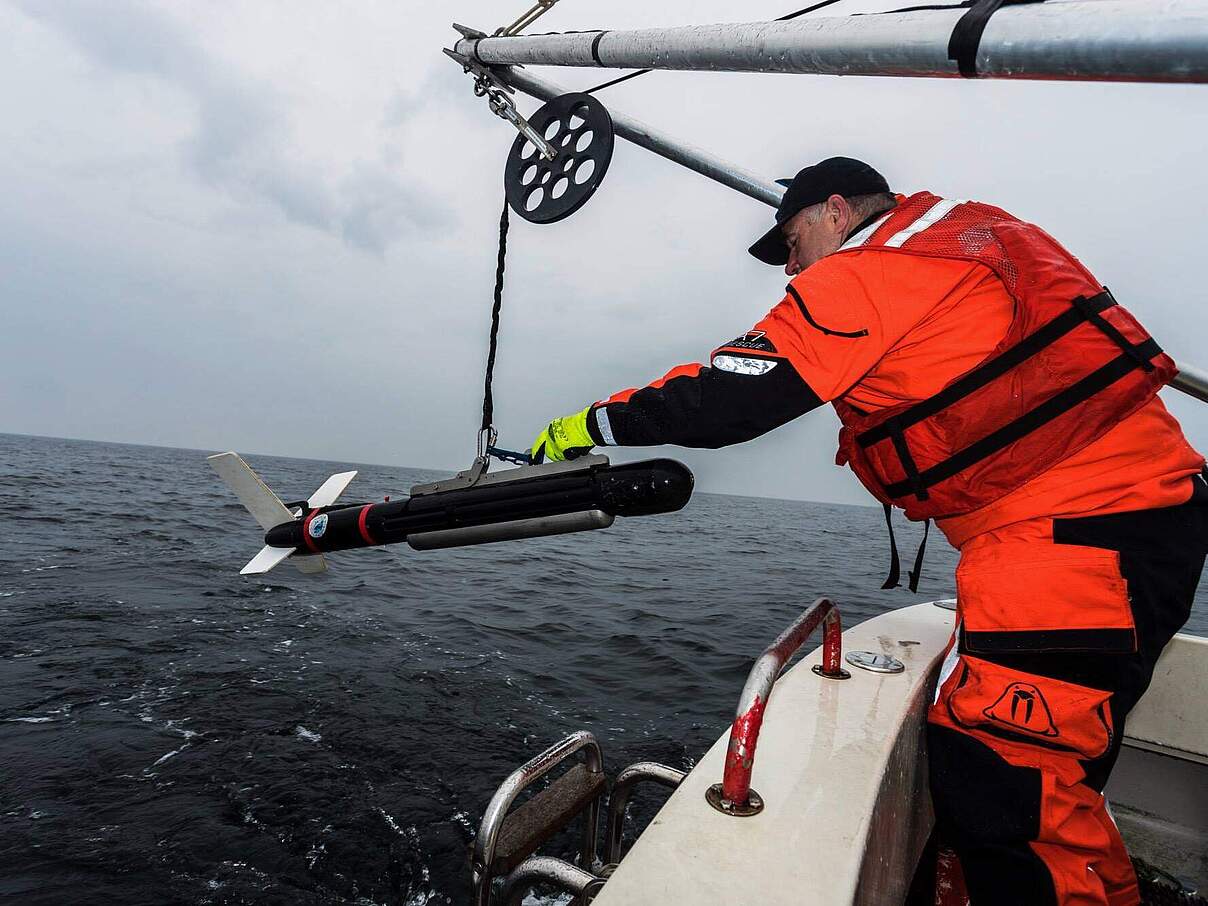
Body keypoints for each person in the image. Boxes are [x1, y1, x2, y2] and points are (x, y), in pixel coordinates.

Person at [528, 157, 1208, 906]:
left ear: (836, 213)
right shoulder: (966, 242)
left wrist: (589, 422)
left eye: (791, 242)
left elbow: (730, 400)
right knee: (1019, 766)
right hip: (1133, 519)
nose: (790, 268)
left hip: (1078, 533)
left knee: (1015, 786)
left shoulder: (871, 270)